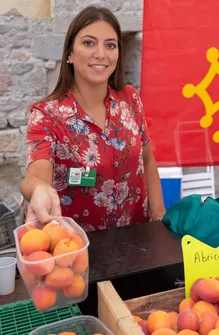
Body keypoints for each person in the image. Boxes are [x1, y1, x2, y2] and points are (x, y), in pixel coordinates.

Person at [20, 5, 166, 231]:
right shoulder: (47, 116)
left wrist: (158, 219)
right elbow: (36, 176)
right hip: (78, 249)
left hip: (139, 243)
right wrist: (38, 189)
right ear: (69, 54)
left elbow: (147, 160)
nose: (101, 54)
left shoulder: (130, 99)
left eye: (110, 45)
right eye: (89, 43)